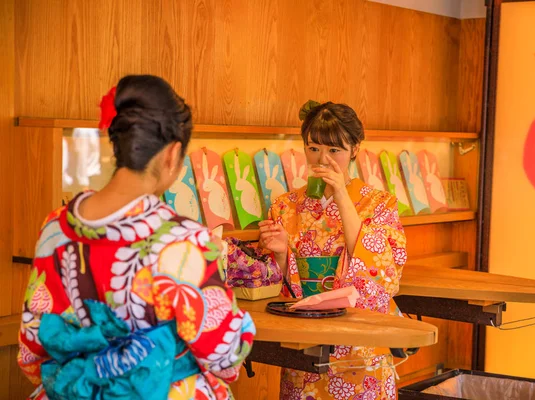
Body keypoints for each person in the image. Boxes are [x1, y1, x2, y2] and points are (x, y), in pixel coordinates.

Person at [17, 75, 255, 400]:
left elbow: (32, 349)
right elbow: (224, 354)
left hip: (74, 390)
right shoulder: (183, 240)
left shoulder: (55, 228)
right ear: (172, 155)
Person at [258, 101, 407, 400]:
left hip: (359, 346)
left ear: (355, 149)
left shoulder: (381, 204)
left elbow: (384, 273)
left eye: (334, 150)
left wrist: (340, 193)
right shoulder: (285, 206)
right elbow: (278, 284)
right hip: (304, 345)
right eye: (313, 149)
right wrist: (281, 254)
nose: (322, 159)